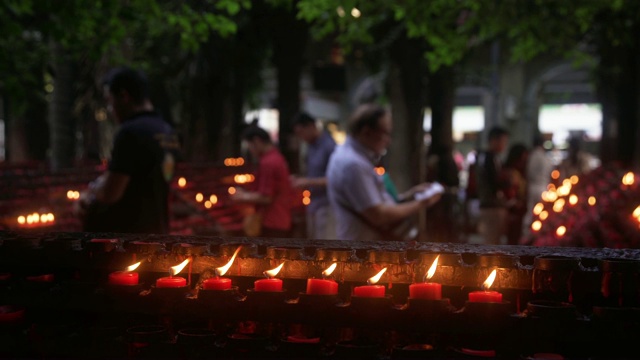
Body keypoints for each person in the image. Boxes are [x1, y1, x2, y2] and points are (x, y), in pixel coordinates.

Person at [79, 67, 179, 233]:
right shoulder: (167, 131)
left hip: (128, 239)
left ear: (124, 96)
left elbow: (111, 193)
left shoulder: (131, 132)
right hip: (158, 232)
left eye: (110, 101)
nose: (111, 110)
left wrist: (91, 192)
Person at [326, 104, 441, 241]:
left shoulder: (351, 156)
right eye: (385, 133)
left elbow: (372, 200)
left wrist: (408, 196)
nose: (388, 141)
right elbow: (378, 215)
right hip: (363, 247)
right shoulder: (353, 164)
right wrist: (422, 203)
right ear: (366, 132)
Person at [231, 126, 293, 238]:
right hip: (281, 219)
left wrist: (243, 196)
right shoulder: (277, 157)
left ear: (256, 141)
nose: (250, 149)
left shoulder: (268, 163)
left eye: (249, 145)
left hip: (272, 221)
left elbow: (266, 197)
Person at [291, 112, 337, 239]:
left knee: (325, 246)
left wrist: (307, 182)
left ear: (311, 126)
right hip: (314, 204)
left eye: (301, 132)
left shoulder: (329, 145)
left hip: (328, 205)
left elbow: (335, 179)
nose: (301, 137)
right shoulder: (310, 146)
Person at [476, 126, 510, 244]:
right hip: (490, 205)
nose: (504, 145)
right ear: (494, 141)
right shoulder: (488, 158)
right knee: (491, 241)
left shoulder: (493, 157)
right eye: (503, 141)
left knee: (494, 240)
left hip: (492, 205)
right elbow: (493, 181)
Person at [425, 144, 461, 243]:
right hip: (447, 195)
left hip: (443, 195)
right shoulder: (449, 160)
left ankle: (442, 240)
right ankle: (448, 240)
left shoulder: (441, 161)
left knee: (443, 221)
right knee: (448, 221)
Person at [502, 144, 529, 245]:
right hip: (512, 210)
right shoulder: (509, 172)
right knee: (512, 239)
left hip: (519, 210)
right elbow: (507, 192)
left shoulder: (519, 171)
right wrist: (514, 203)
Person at [525, 135, 552, 226]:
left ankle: (528, 233)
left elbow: (529, 172)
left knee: (530, 212)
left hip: (534, 187)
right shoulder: (546, 157)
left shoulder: (533, 156)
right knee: (541, 213)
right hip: (544, 187)